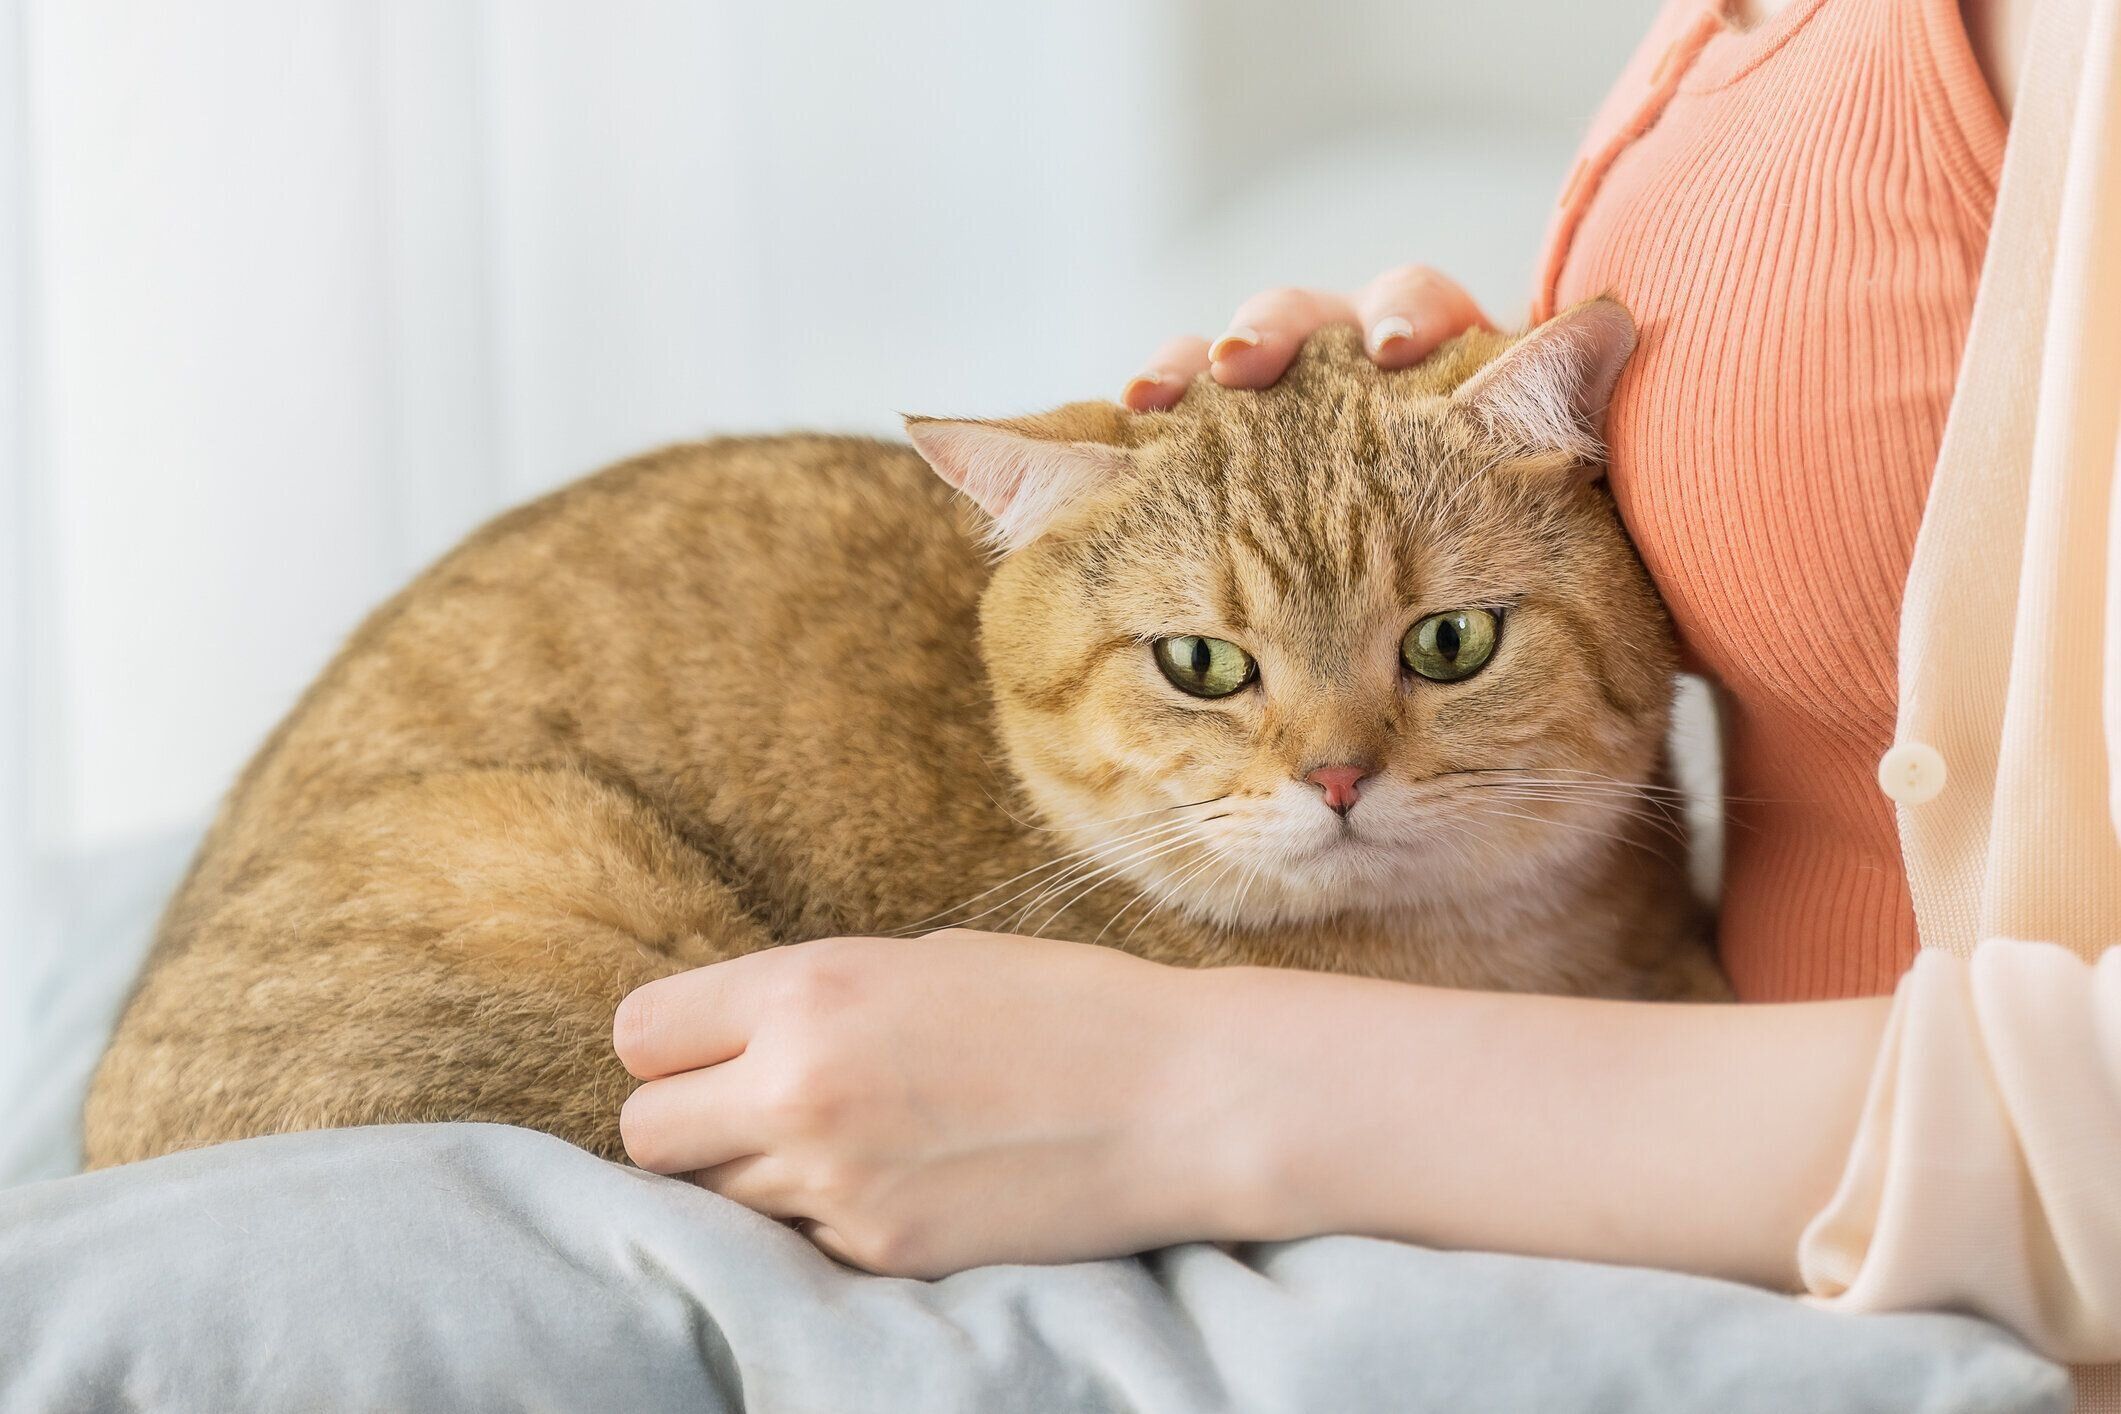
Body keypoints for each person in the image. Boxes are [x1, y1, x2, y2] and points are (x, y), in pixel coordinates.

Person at [615, 0, 2120, 1403]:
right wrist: (1408, 446)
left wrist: (1205, 1086)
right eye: (1212, 669)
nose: (1333, 762)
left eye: (1442, 652)